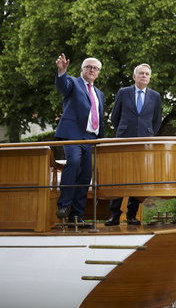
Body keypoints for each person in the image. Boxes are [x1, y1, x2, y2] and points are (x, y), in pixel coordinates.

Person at [106, 63, 162, 226]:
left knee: (139, 178)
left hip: (144, 143)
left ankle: (132, 215)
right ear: (134, 76)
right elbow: (114, 117)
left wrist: (148, 133)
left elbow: (156, 120)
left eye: (147, 74)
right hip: (123, 141)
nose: (144, 76)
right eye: (141, 73)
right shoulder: (123, 92)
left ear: (149, 78)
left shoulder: (155, 96)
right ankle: (115, 215)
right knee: (119, 178)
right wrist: (124, 131)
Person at [54, 53, 105, 227]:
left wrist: (101, 141)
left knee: (85, 175)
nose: (92, 70)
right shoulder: (73, 83)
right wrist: (62, 72)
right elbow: (62, 86)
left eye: (95, 68)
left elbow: (99, 118)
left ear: (98, 73)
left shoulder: (100, 93)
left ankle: (77, 215)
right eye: (88, 67)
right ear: (82, 69)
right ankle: (64, 206)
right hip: (73, 134)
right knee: (74, 162)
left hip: (90, 138)